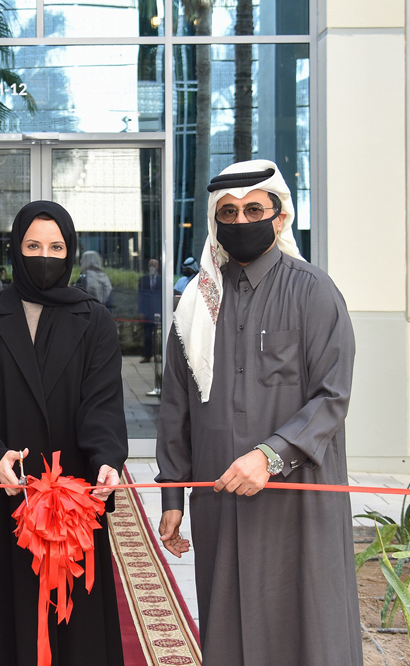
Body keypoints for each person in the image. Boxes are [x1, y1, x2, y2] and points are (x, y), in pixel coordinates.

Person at [155, 160, 360, 666]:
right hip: (220, 501)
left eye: (253, 209)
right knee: (227, 628)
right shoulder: (196, 305)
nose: (241, 220)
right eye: (229, 211)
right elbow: (175, 407)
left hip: (297, 502)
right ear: (215, 221)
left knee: (307, 627)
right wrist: (173, 497)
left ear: (280, 216)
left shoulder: (314, 291)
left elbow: (332, 396)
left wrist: (270, 455)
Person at [0, 201, 128, 666]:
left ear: (70, 251)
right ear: (15, 249)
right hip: (4, 497)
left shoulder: (95, 321)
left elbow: (103, 406)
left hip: (72, 505)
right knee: (1, 625)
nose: (44, 256)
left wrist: (107, 458)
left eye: (55, 246)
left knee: (73, 630)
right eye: (33, 246)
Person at [137, 257, 162, 362]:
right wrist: (141, 311)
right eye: (150, 265)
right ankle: (147, 355)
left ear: (158, 266)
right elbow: (140, 296)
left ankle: (160, 355)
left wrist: (162, 312)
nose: (152, 267)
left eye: (154, 265)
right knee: (147, 335)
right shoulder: (143, 279)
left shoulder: (161, 280)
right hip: (147, 311)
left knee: (160, 335)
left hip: (158, 311)